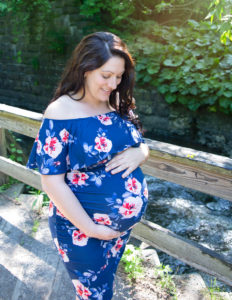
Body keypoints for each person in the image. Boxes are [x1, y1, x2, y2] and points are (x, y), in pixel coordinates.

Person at [26, 31, 149, 300]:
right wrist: (92, 229)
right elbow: (51, 181)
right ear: (84, 69)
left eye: (119, 76)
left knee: (104, 286)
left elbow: (138, 141)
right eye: (106, 76)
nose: (113, 84)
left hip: (117, 229)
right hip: (81, 229)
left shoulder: (116, 102)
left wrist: (141, 153)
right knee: (95, 295)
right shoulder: (60, 112)